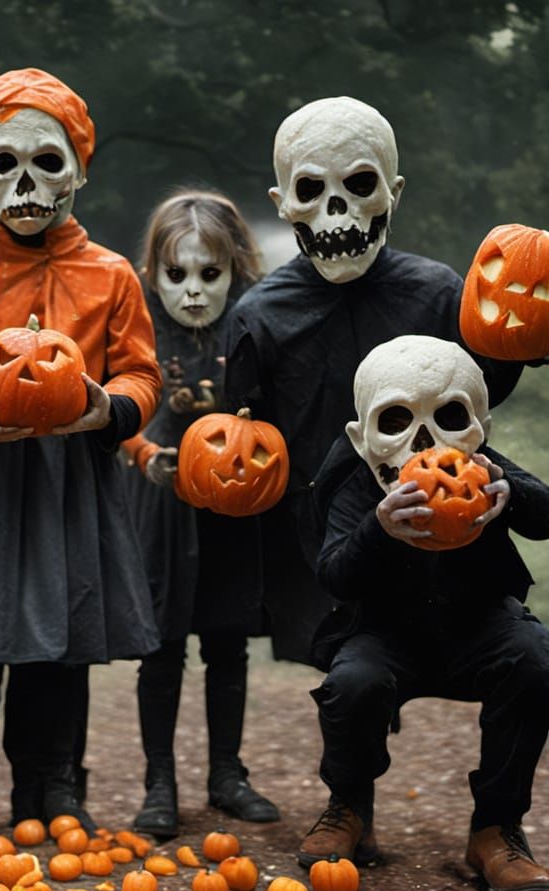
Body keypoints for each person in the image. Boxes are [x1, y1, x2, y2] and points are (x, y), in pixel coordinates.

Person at [0, 68, 161, 840]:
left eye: (47, 162)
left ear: (79, 168)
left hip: (67, 479)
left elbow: (140, 373)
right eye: (3, 164)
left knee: (60, 639)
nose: (26, 182)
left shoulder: (111, 275)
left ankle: (52, 780)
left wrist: (106, 412)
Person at [224, 96, 522, 666]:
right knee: (349, 689)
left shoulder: (439, 294)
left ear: (394, 192)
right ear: (283, 204)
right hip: (323, 545)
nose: (337, 211)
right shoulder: (258, 317)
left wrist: (521, 345)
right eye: (311, 191)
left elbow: (477, 405)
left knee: (496, 663)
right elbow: (247, 433)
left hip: (439, 525)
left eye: (360, 184)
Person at [300, 334, 549, 891]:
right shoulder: (355, 479)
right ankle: (349, 807)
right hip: (386, 633)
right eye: (395, 421)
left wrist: (514, 496)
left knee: (536, 659)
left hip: (479, 623)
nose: (423, 443)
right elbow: (334, 574)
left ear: (478, 425)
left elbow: (545, 514)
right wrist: (379, 531)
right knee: (352, 682)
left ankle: (496, 828)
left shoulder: (481, 466)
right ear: (363, 437)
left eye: (449, 418)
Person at [121, 190, 278, 837]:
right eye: (176, 274)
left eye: (208, 275)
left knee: (228, 643)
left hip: (232, 508)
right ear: (153, 275)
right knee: (160, 649)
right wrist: (144, 453)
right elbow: (119, 412)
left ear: (235, 271)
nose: (192, 291)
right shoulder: (137, 330)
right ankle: (160, 783)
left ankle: (227, 774)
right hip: (160, 507)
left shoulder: (253, 329)